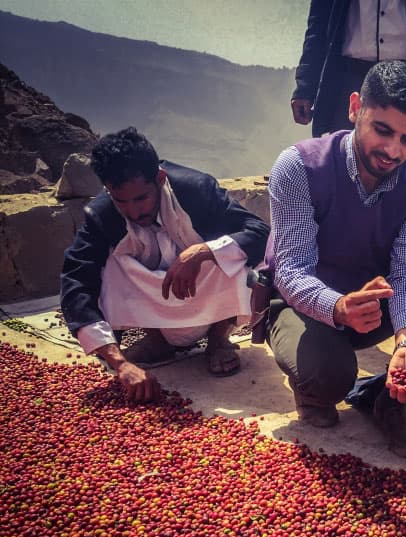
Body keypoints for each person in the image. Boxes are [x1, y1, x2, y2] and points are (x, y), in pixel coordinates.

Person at [267, 60, 406, 457]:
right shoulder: (298, 167)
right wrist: (337, 306)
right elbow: (290, 270)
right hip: (303, 307)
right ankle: (311, 387)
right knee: (330, 376)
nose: (394, 150)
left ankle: (391, 398)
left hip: (373, 306)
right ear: (355, 107)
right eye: (383, 130)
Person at [60, 127, 270, 402]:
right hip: (151, 293)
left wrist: (202, 252)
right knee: (108, 263)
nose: (134, 211)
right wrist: (118, 361)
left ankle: (219, 339)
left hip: (206, 286)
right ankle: (157, 342)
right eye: (121, 200)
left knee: (229, 251)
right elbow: (76, 280)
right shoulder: (101, 216)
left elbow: (259, 232)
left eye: (141, 198)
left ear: (159, 179)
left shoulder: (197, 189)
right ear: (108, 190)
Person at [290, 0, 406, 255]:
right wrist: (306, 84)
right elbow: (319, 22)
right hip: (351, 79)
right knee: (341, 193)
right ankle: (337, 283)